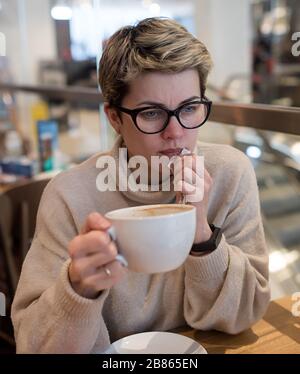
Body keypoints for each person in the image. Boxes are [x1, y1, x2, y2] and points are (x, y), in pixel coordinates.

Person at [11, 17, 270, 353]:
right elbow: (31, 345)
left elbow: (244, 316)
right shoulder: (70, 195)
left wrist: (202, 236)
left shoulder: (229, 173)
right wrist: (77, 288)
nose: (175, 132)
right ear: (115, 118)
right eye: (151, 113)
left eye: (189, 108)